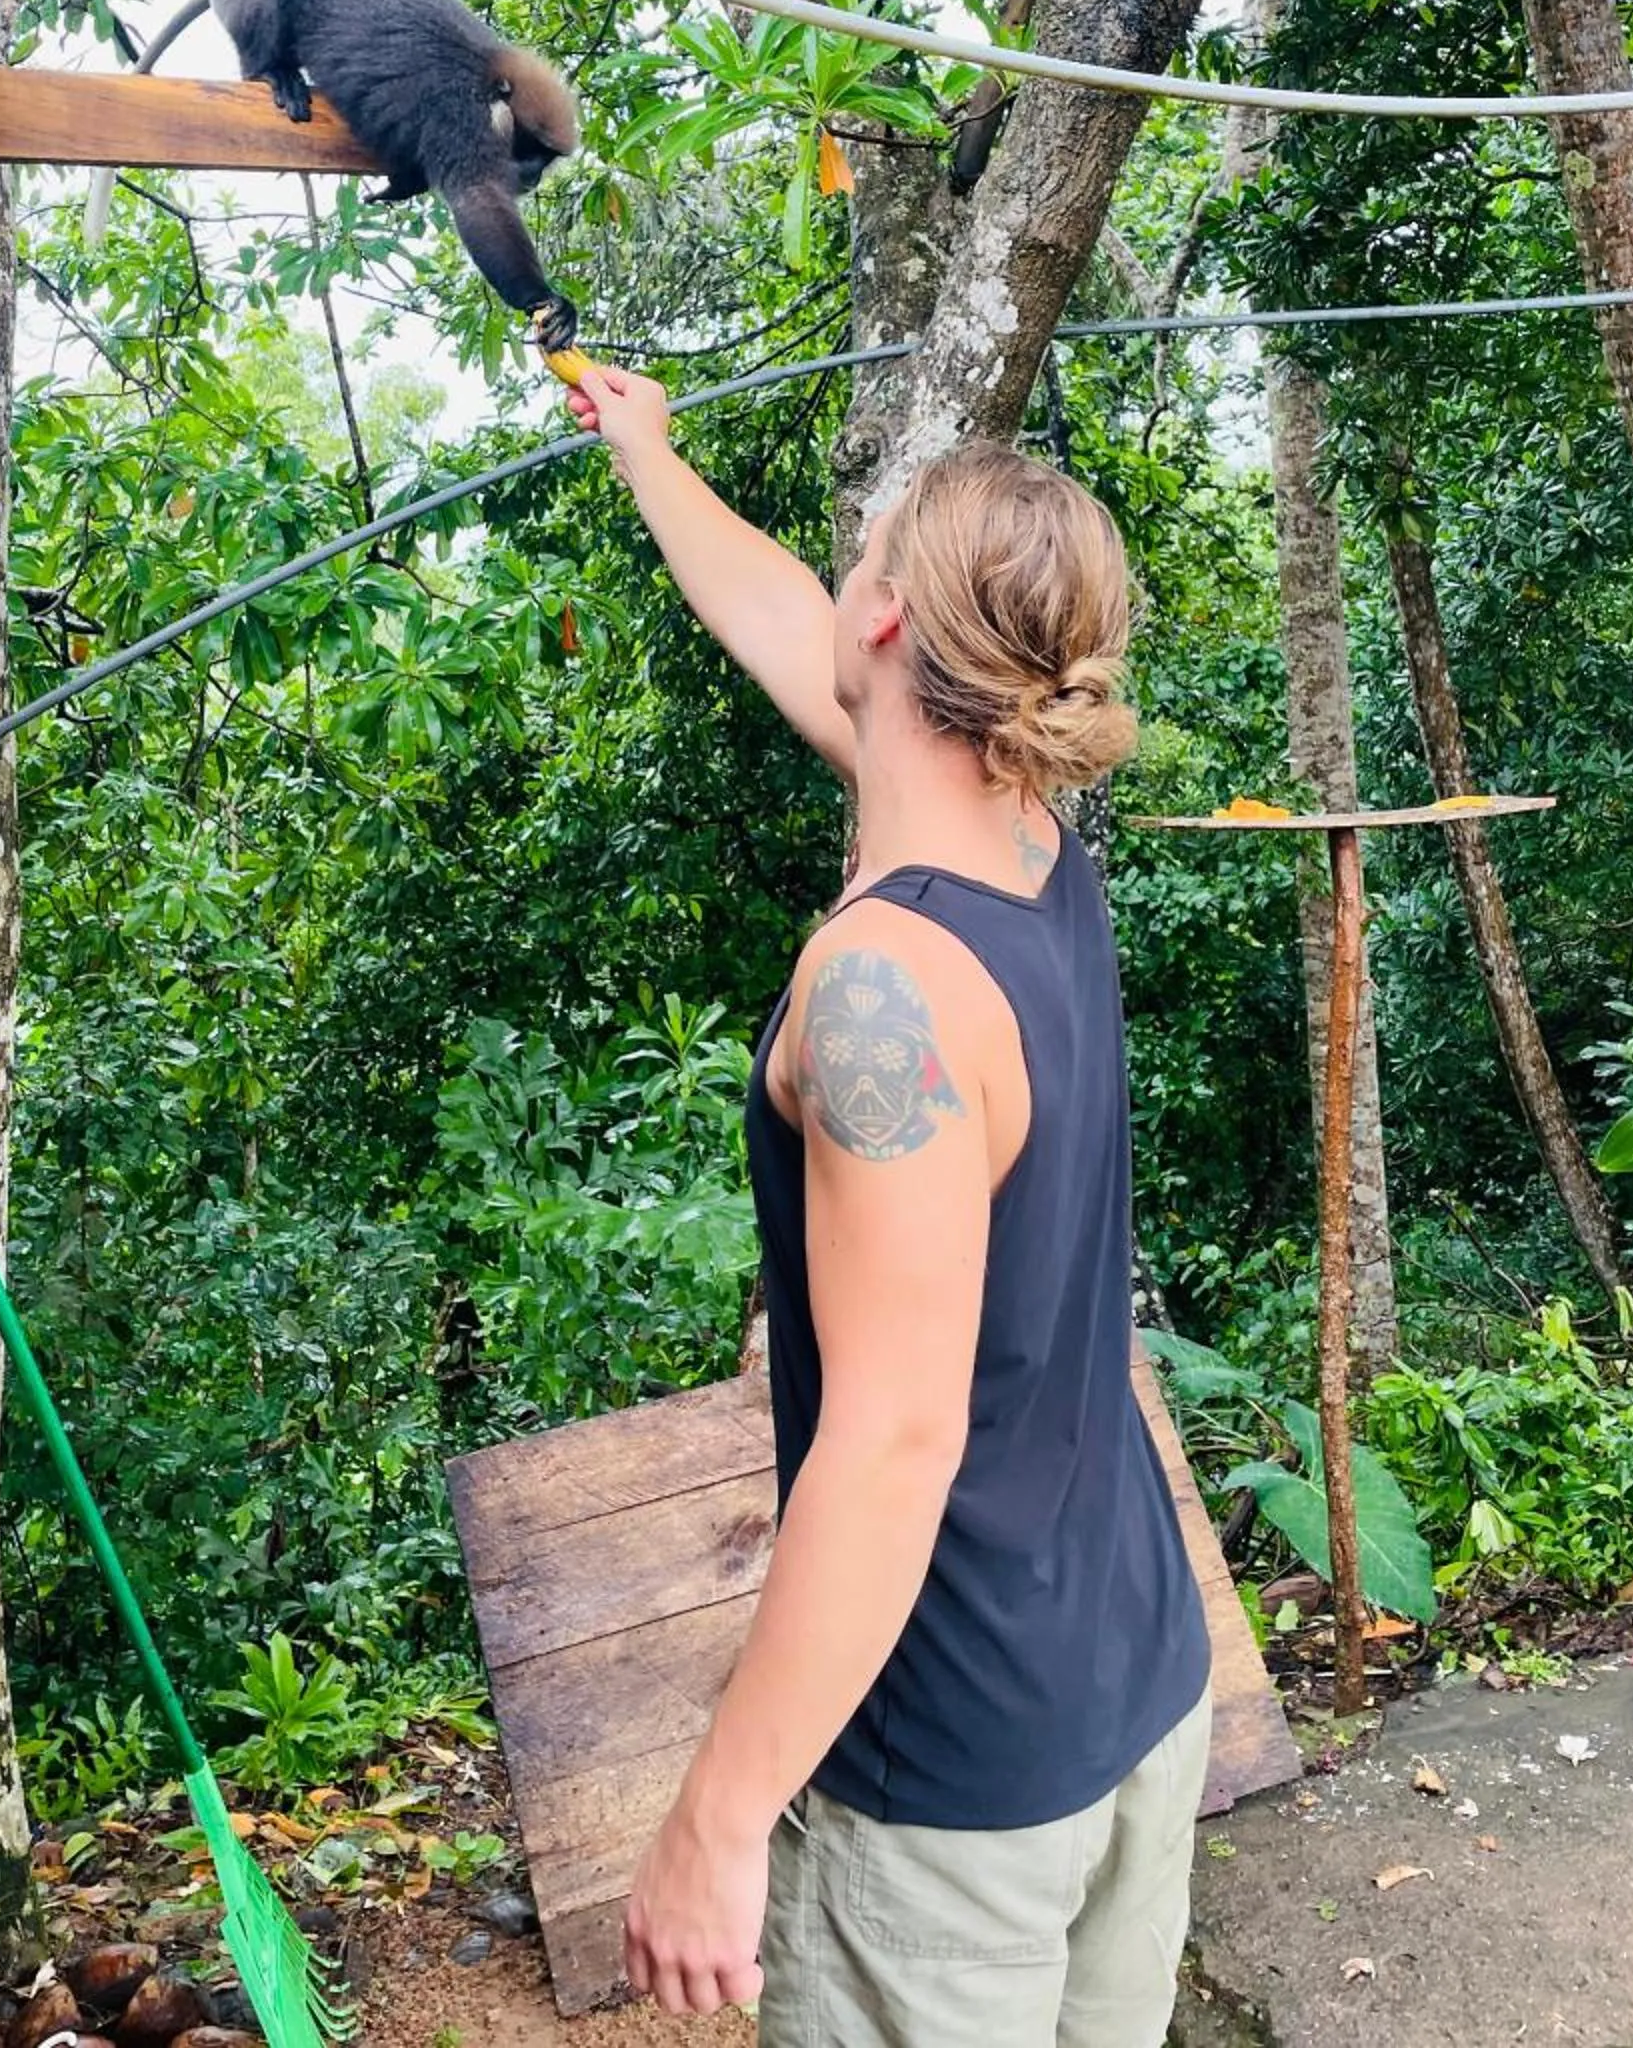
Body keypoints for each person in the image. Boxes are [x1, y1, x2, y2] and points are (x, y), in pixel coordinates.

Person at [561, 361, 1213, 2046]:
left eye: (856, 560)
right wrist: (650, 451)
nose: (833, 586)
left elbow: (892, 1442)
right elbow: (792, 624)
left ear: (888, 630)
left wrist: (716, 1819)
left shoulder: (881, 992)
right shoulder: (1031, 836)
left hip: (953, 1782)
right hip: (1130, 1674)